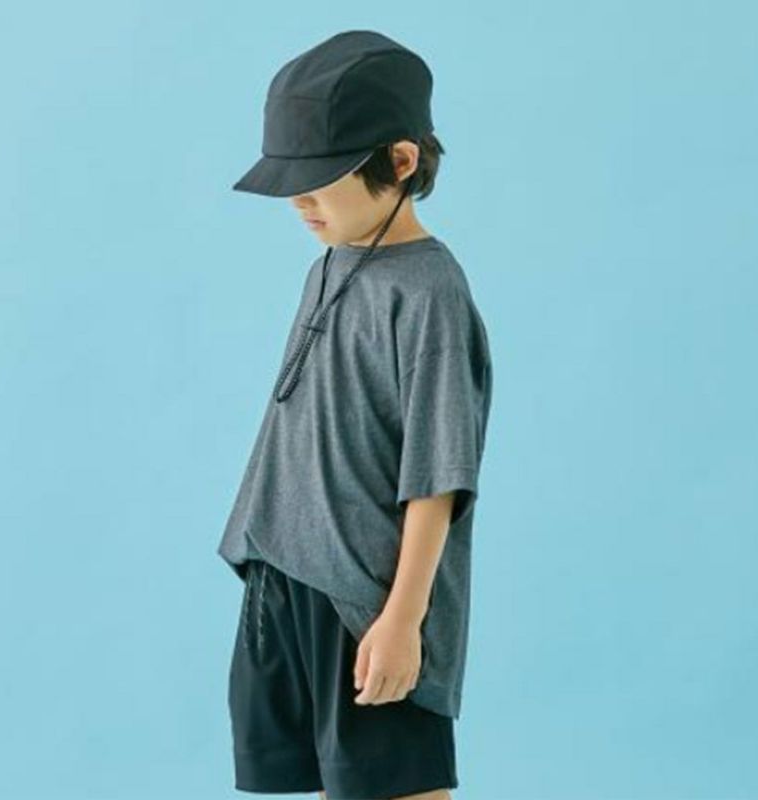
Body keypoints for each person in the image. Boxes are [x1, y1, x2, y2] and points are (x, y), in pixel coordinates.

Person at [217, 29, 494, 800]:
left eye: (318, 179)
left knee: (397, 786)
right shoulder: (330, 263)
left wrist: (403, 618)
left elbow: (438, 473)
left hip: (365, 597)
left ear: (399, 162)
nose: (298, 201)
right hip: (283, 576)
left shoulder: (431, 294)